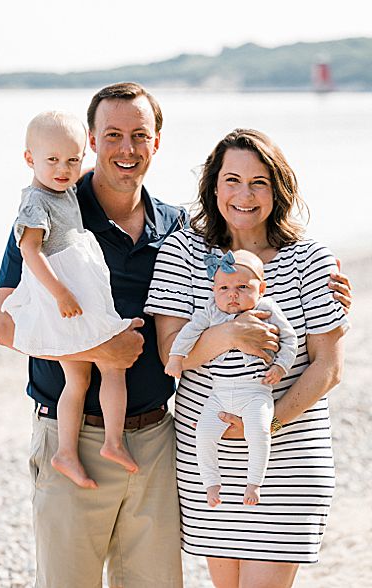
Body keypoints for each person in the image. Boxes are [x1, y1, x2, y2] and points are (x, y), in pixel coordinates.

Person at [0, 83, 352, 587]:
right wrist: (101, 349)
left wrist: (324, 278)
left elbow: (250, 274)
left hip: (160, 441)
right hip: (75, 435)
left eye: (139, 134)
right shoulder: (51, 213)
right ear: (92, 141)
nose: (127, 148)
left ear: (156, 142)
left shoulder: (177, 228)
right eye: (113, 134)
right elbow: (5, 326)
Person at [146, 129, 347, 587]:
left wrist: (267, 421)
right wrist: (230, 334)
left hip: (287, 455)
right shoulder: (182, 253)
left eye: (259, 182)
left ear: (277, 190)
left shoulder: (310, 260)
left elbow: (329, 365)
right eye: (232, 179)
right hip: (209, 458)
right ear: (213, 186)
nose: (244, 194)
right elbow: (169, 351)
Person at [1, 110, 135, 490]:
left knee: (82, 377)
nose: (64, 169)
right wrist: (60, 292)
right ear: (30, 159)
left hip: (78, 289)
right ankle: (101, 445)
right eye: (53, 160)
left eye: (73, 160)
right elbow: (29, 250)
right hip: (61, 295)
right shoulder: (34, 203)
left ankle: (73, 451)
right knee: (108, 367)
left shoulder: (66, 189)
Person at [162, 249, 296, 508]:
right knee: (203, 434)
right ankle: (211, 484)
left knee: (260, 432)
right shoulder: (211, 310)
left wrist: (280, 366)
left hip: (255, 393)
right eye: (223, 287)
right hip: (219, 394)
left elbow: (290, 339)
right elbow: (189, 332)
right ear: (213, 291)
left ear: (262, 289)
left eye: (243, 286)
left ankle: (254, 483)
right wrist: (177, 356)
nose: (232, 294)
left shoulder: (267, 309)